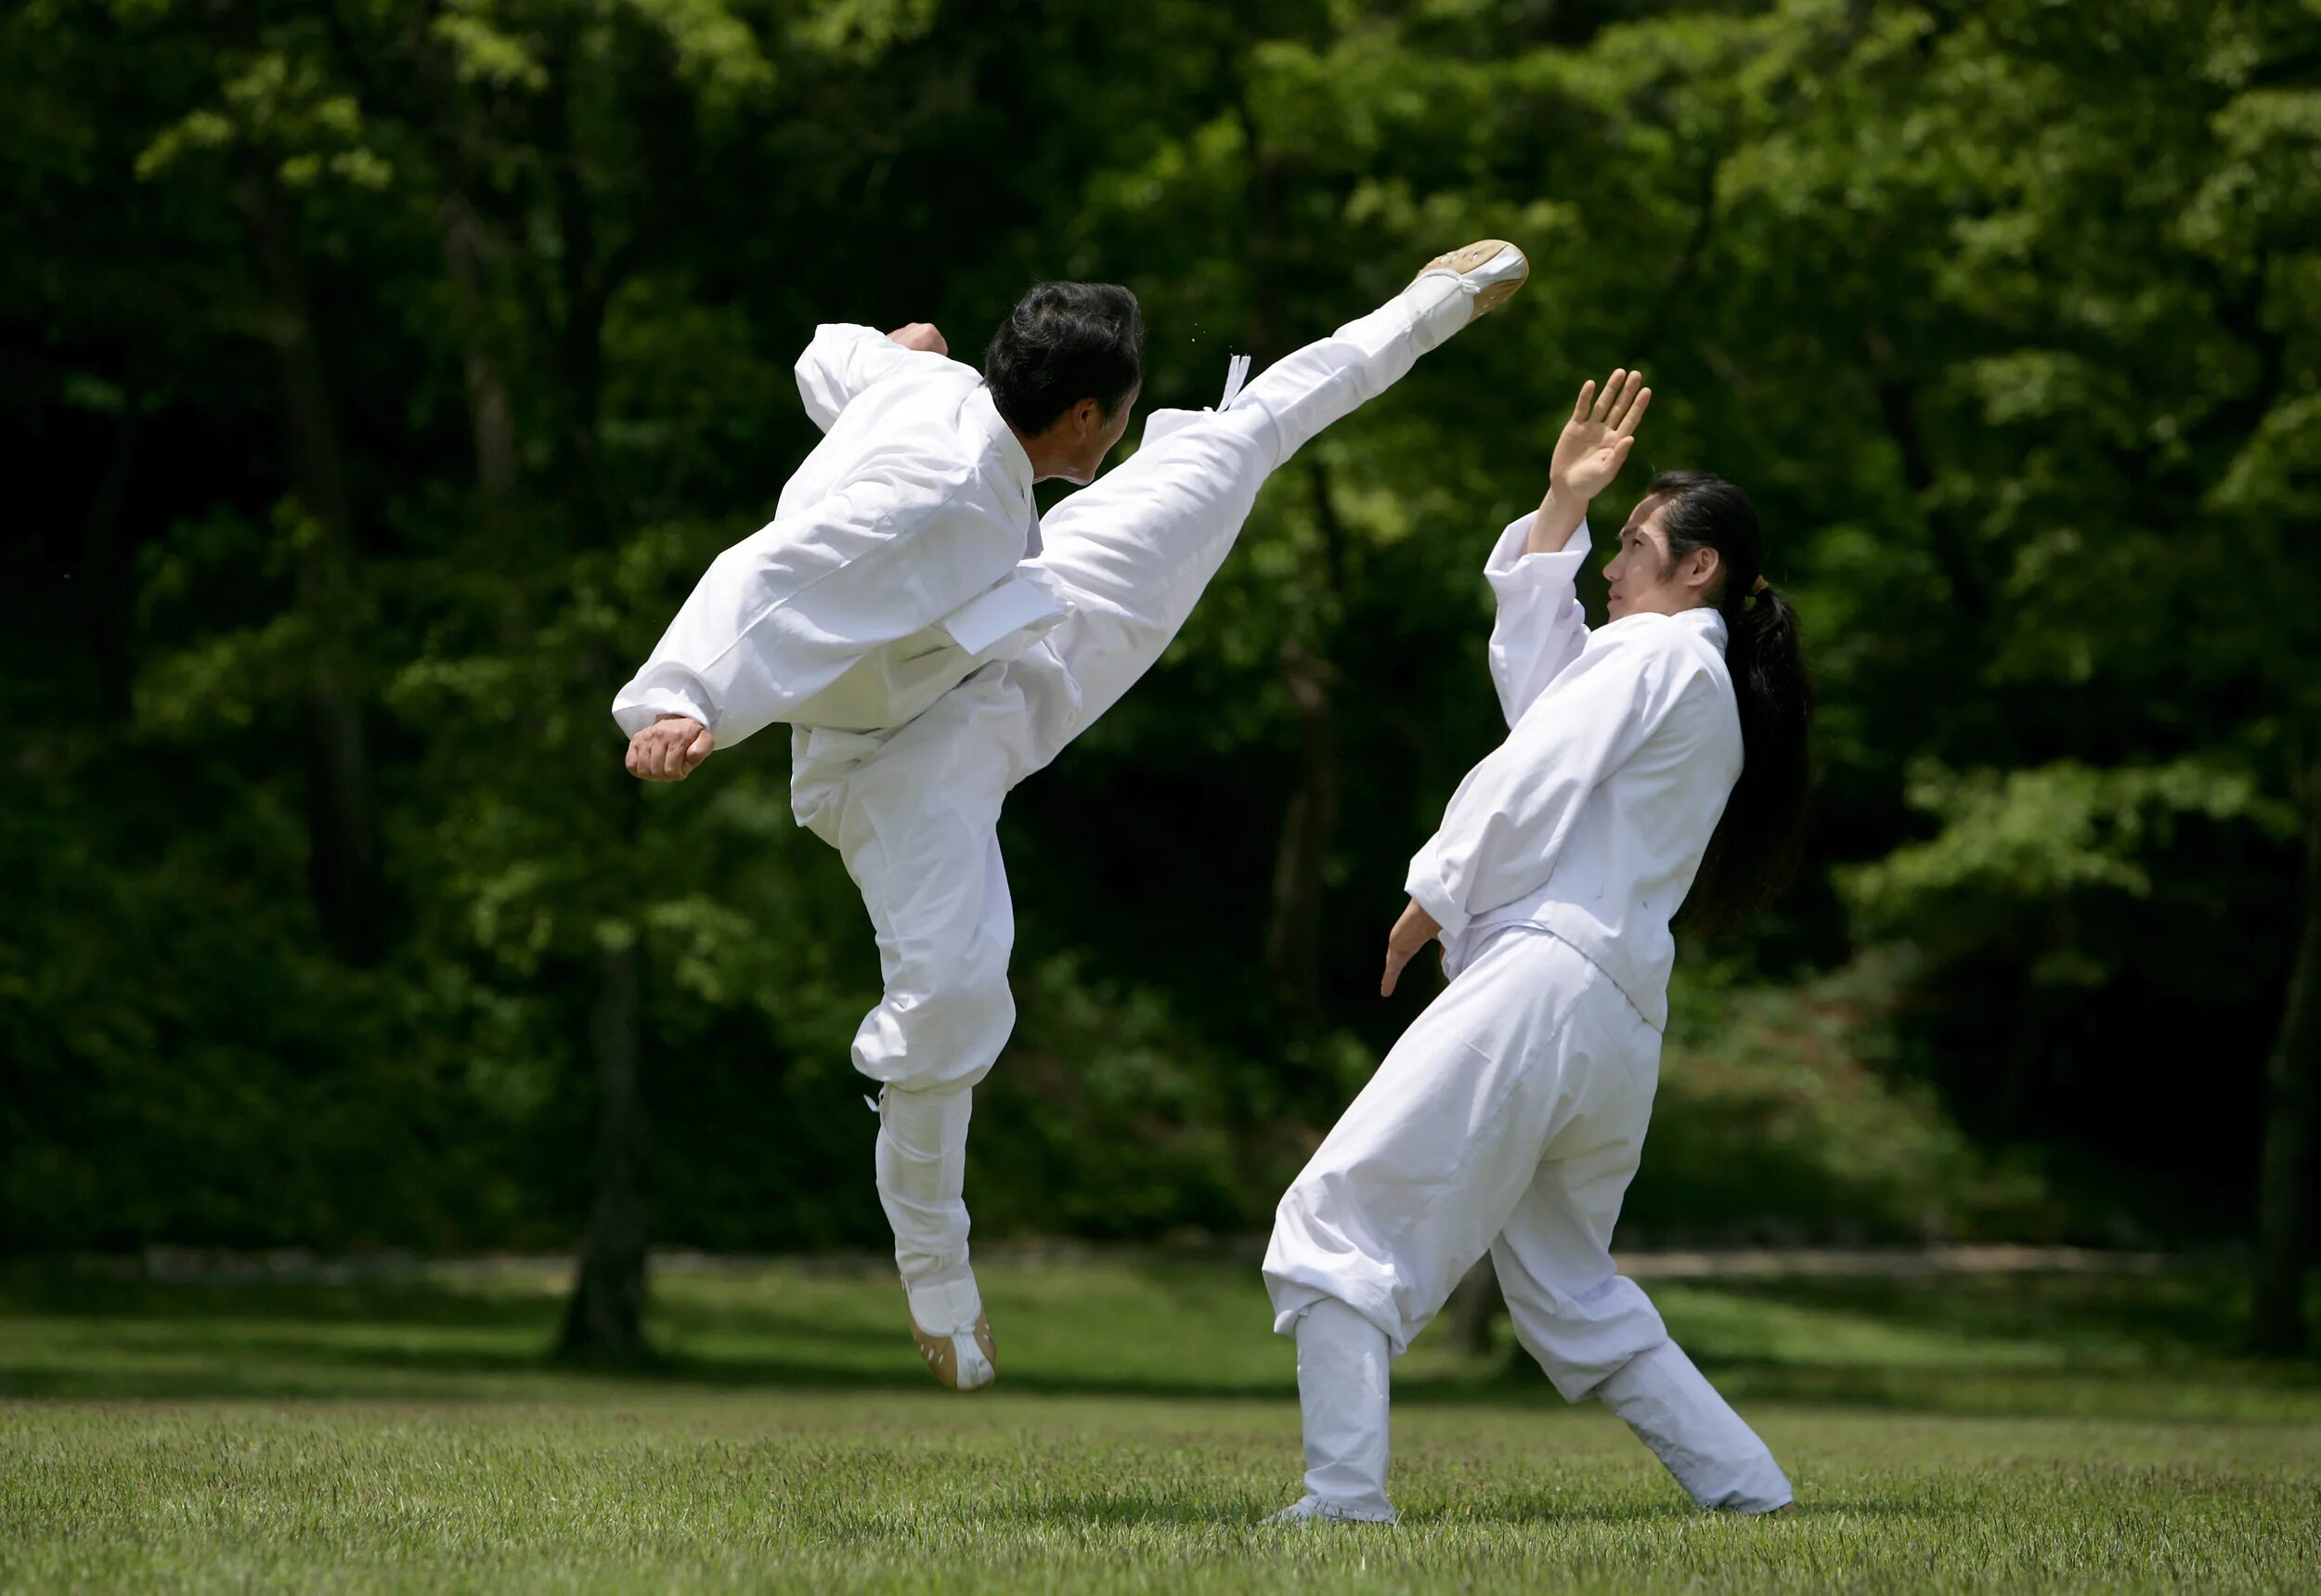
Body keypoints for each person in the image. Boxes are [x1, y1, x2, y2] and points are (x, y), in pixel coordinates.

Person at [614, 242, 1534, 1390]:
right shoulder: (933, 497)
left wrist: (899, 350)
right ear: (1086, 414)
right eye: (1124, 413)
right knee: (954, 991)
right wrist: (676, 699)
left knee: (1244, 433)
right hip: (900, 753)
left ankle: (1430, 299)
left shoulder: (935, 392)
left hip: (1026, 613)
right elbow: (767, 574)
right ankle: (937, 1277)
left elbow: (828, 354)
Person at [1261, 370, 1814, 1520]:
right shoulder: (1692, 677)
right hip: (1611, 1018)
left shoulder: (1657, 659)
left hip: (1545, 982)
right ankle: (1751, 1494)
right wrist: (1558, 507)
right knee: (1571, 1291)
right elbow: (1546, 704)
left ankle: (1343, 1505)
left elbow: (1533, 765)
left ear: (1696, 568)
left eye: (1630, 543)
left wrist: (1435, 889)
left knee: (1337, 1219)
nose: (1610, 565)